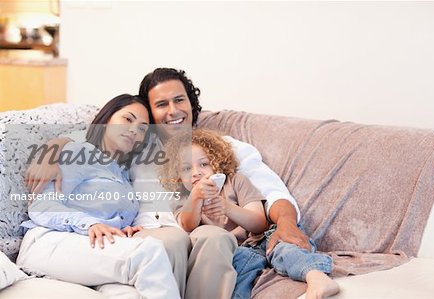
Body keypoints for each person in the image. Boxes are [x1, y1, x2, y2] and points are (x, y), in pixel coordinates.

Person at [25, 68, 312, 299]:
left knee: (215, 238)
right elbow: (93, 143)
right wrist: (54, 147)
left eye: (179, 100)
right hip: (151, 234)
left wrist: (287, 223)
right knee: (171, 239)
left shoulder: (223, 147)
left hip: (202, 231)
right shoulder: (136, 145)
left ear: (191, 103)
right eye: (161, 104)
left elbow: (272, 192)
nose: (173, 110)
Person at [17, 94, 180, 299]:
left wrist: (123, 229)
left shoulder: (124, 175)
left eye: (142, 129)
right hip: (49, 243)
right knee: (149, 252)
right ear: (107, 119)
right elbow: (41, 206)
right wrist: (91, 224)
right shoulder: (79, 153)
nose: (133, 130)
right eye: (127, 119)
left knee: (132, 295)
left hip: (93, 250)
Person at [161, 128, 339, 299]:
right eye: (186, 169)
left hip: (262, 239)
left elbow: (259, 222)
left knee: (286, 248)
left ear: (217, 163)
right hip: (238, 252)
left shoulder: (236, 181)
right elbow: (187, 224)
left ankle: (315, 275)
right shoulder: (183, 199)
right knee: (237, 282)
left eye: (204, 164)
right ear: (176, 176)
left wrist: (227, 208)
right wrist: (195, 198)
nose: (196, 172)